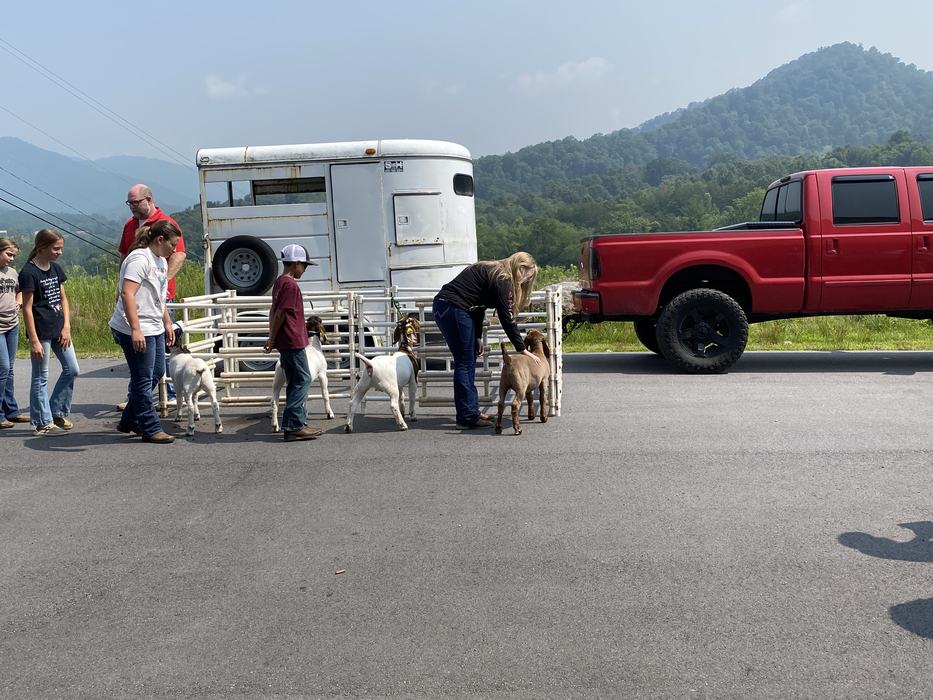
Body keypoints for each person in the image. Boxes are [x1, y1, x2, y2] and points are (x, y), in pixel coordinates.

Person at [432, 251, 540, 429]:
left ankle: (471, 411)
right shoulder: (502, 278)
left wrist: (477, 336)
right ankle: (467, 417)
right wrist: (522, 348)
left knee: (467, 361)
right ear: (521, 268)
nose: (524, 282)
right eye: (525, 277)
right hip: (453, 308)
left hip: (449, 307)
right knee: (464, 363)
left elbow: (478, 306)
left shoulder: (493, 270)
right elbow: (506, 318)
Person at [109, 220, 180, 444]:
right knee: (142, 377)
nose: (174, 250)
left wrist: (167, 322)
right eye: (172, 245)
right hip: (135, 327)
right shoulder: (139, 259)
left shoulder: (159, 260)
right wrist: (136, 329)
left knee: (158, 370)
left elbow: (160, 295)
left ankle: (129, 419)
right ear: (160, 240)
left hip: (154, 324)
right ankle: (150, 427)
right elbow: (127, 294)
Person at [116, 184, 185, 409]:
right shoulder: (130, 226)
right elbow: (124, 256)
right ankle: (137, 399)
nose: (132, 208)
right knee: (143, 357)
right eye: (130, 203)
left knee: (163, 348)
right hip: (137, 297)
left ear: (149, 199)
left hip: (160, 298)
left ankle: (169, 392)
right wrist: (123, 285)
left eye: (136, 203)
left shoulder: (165, 222)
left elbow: (178, 255)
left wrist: (160, 283)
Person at [19, 229, 80, 437]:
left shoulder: (55, 268)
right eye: (56, 248)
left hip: (59, 328)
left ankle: (56, 411)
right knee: (40, 377)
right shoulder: (28, 272)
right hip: (41, 331)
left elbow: (63, 298)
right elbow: (27, 308)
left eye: (60, 248)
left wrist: (67, 326)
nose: (59, 252)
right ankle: (41, 422)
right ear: (42, 247)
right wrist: (34, 340)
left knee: (72, 369)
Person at [263, 244, 322, 442]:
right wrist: (272, 337)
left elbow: (273, 311)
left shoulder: (279, 283)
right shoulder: (290, 285)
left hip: (284, 339)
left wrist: (272, 337)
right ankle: (294, 425)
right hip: (292, 339)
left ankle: (295, 422)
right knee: (302, 379)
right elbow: (281, 313)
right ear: (295, 263)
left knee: (294, 381)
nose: (304, 269)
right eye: (304, 265)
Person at [0, 238, 29, 428]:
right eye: (8, 254)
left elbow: (19, 291)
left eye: (14, 256)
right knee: (2, 368)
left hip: (12, 324)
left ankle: (11, 411)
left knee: (9, 369)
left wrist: (18, 300)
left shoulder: (11, 272)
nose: (11, 259)